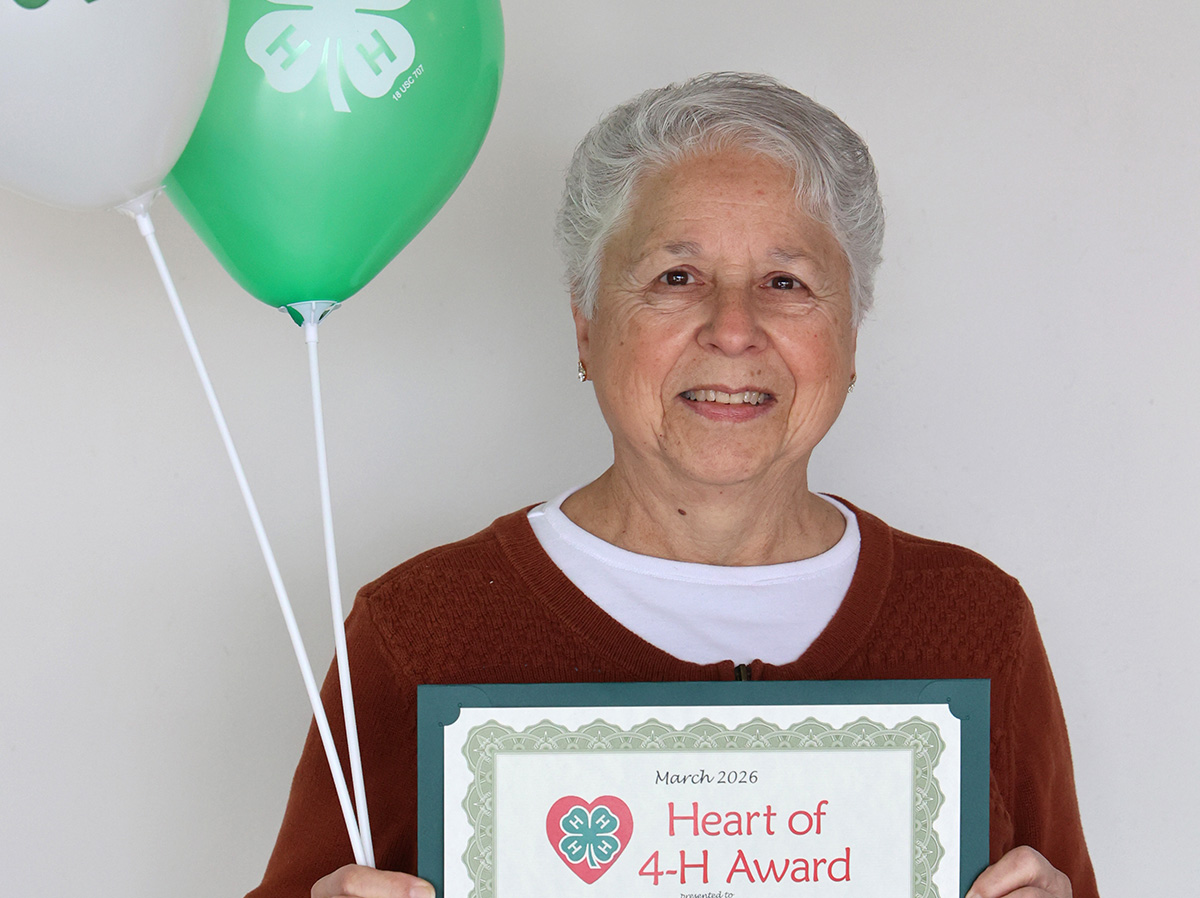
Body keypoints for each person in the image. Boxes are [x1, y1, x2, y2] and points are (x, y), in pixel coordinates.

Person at [248, 73, 1097, 898]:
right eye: (675, 278)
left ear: (849, 331)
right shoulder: (421, 628)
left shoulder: (977, 622)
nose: (734, 329)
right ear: (585, 324)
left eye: (787, 282)